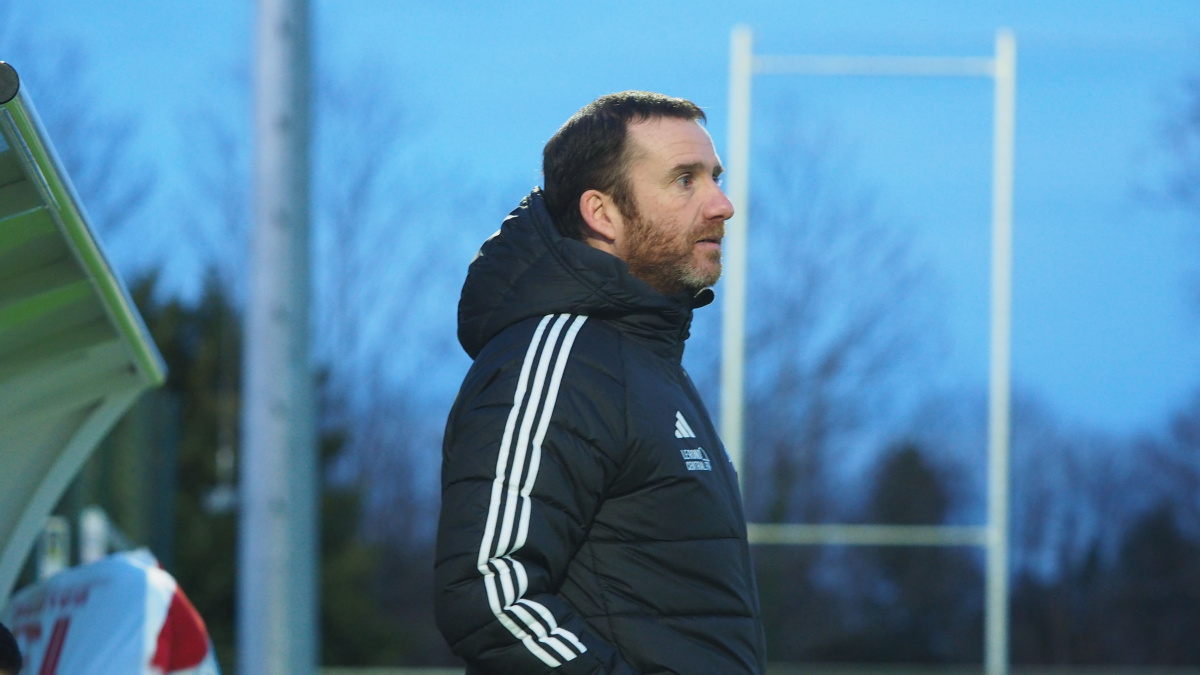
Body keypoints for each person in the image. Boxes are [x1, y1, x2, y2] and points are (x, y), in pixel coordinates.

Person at [435, 91, 767, 674]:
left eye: (715, 178)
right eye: (685, 180)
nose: (722, 205)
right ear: (602, 213)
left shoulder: (644, 360)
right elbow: (490, 591)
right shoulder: (557, 358)